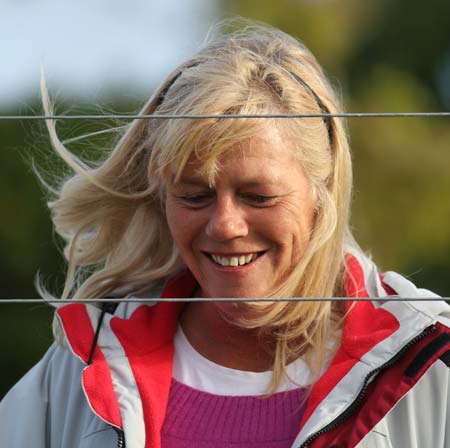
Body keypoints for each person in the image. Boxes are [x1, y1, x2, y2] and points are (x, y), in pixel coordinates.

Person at [1, 21, 449, 448]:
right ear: (161, 198)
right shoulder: (81, 367)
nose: (225, 225)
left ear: (322, 190)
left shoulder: (430, 364)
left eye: (258, 196)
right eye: (194, 196)